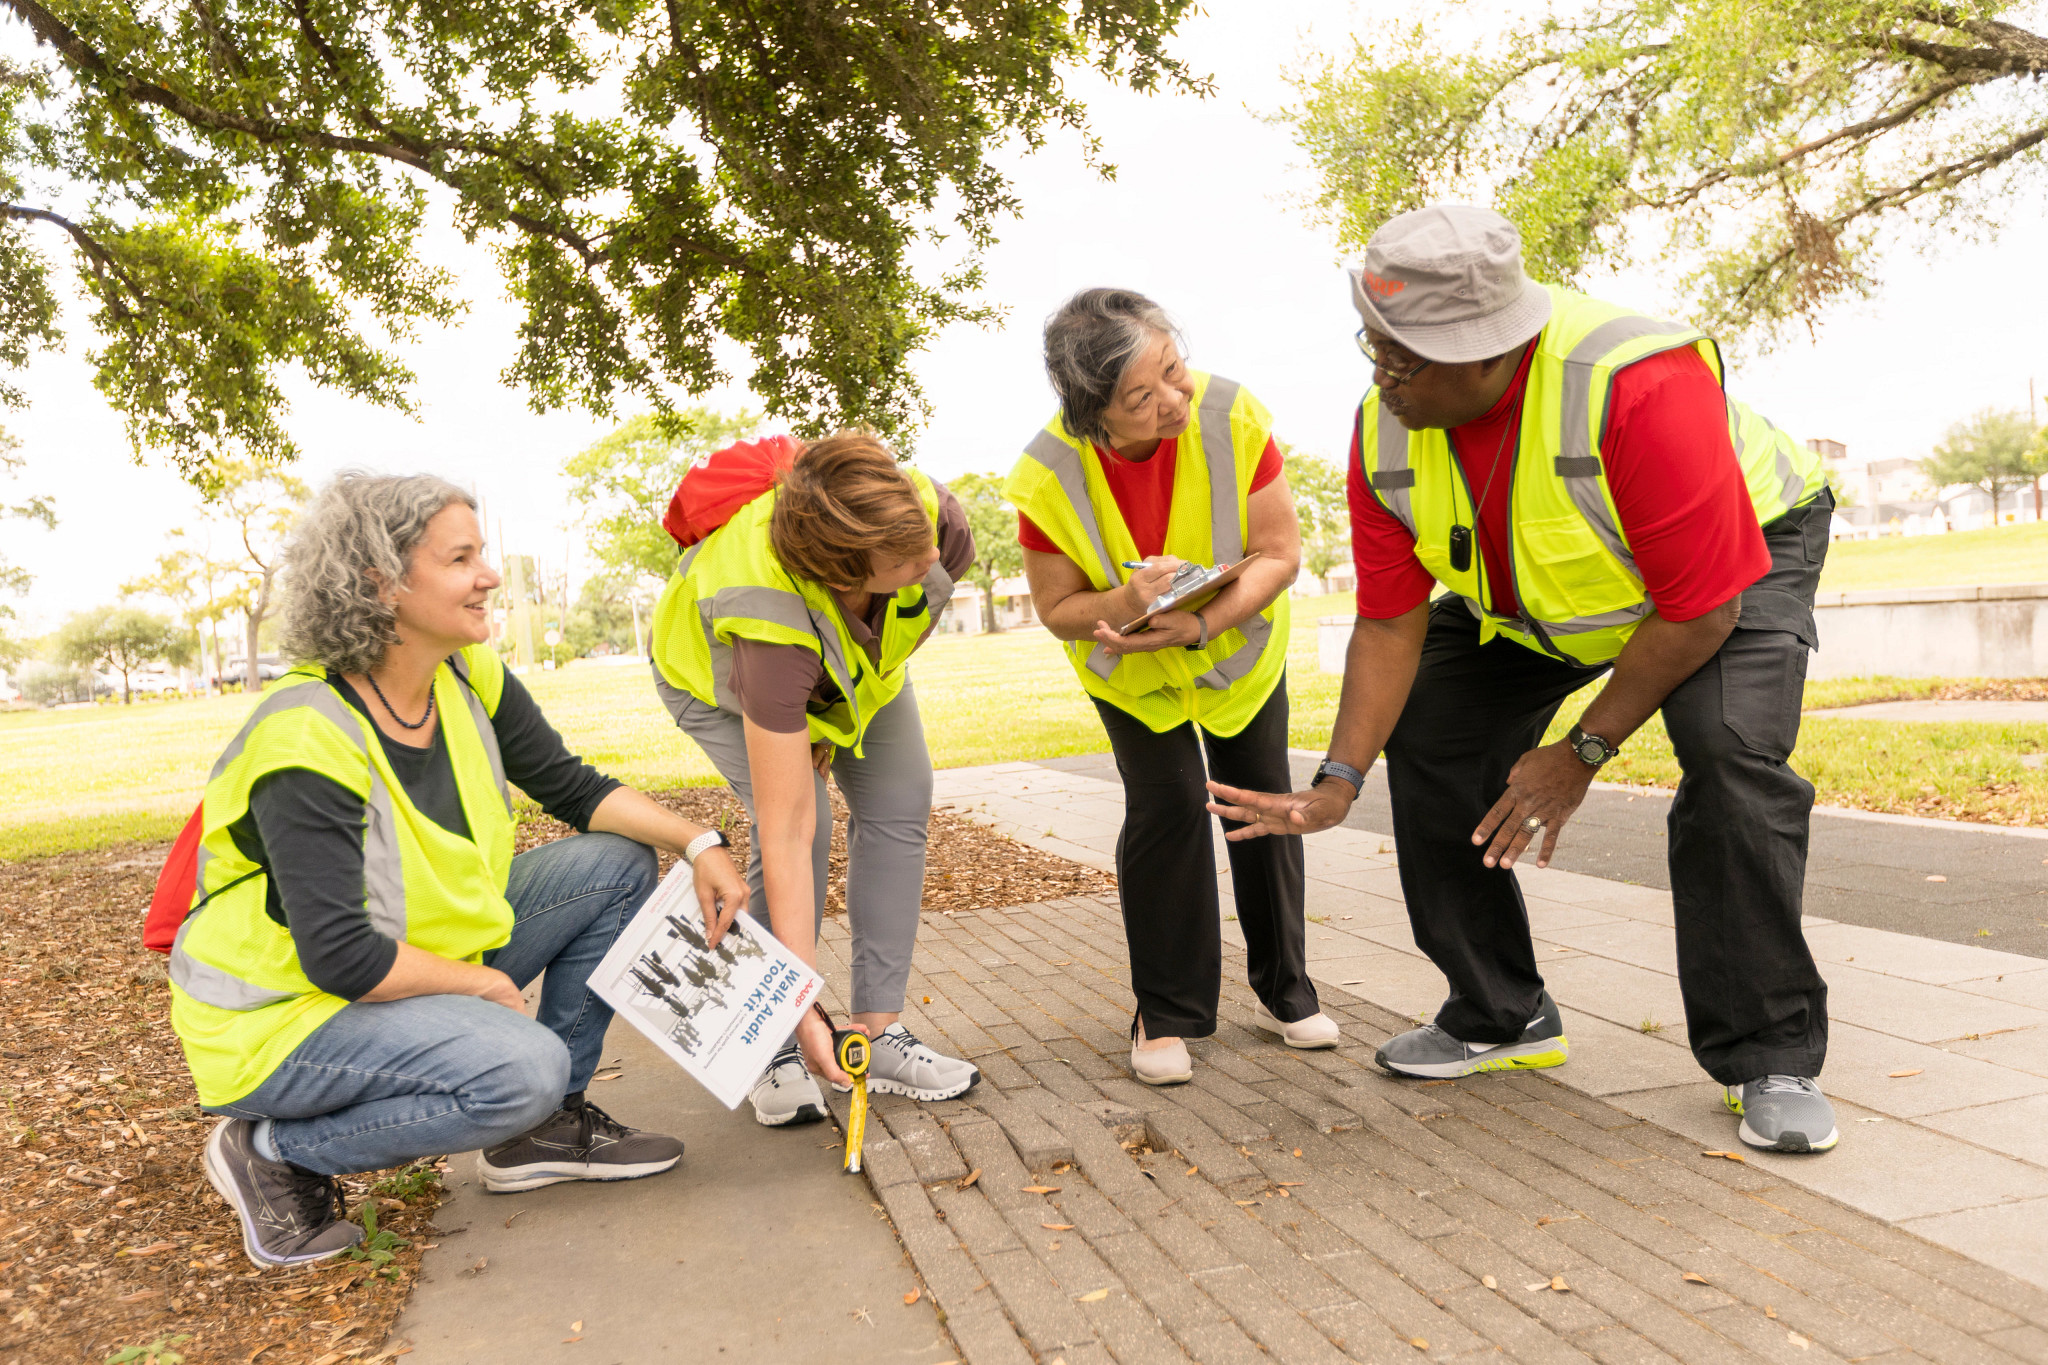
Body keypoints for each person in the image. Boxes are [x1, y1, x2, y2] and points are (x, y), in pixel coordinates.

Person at [1208, 205, 1840, 1154]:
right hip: (1554, 597)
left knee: (1729, 752)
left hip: (1734, 562)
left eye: (1405, 358)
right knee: (1431, 723)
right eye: (1373, 345)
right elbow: (1390, 621)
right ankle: (1501, 1011)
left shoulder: (1632, 384)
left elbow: (1698, 610)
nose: (1382, 376)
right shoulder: (1384, 432)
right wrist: (1339, 780)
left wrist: (1581, 750)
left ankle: (1769, 1055)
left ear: (1490, 348)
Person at [174, 473, 749, 1270]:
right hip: (283, 1018)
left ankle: (539, 1129)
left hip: (401, 963)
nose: (489, 575)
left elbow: (573, 788)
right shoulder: (305, 736)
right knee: (523, 1067)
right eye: (461, 558)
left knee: (617, 865)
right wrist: (480, 986)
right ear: (381, 582)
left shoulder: (464, 676)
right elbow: (341, 957)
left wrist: (697, 843)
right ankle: (277, 1149)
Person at [1006, 287, 1339, 1088]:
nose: (1173, 401)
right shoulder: (1045, 474)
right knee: (1168, 808)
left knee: (1262, 803)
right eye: (1141, 397)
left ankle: (1286, 990)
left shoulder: (1232, 416)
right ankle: (1165, 1008)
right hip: (1134, 674)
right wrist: (1126, 603)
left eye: (1173, 370)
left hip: (1237, 652)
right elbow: (1057, 609)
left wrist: (1199, 624)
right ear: (1094, 413)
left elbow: (1280, 552)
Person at [651, 430, 980, 1127]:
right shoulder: (768, 619)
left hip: (855, 676)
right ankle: (769, 1037)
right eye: (901, 557)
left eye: (918, 538)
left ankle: (877, 1032)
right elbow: (789, 823)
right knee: (808, 822)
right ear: (842, 570)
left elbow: (908, 615)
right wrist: (799, 1000)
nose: (925, 561)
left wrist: (826, 712)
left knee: (900, 797)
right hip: (712, 678)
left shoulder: (933, 525)